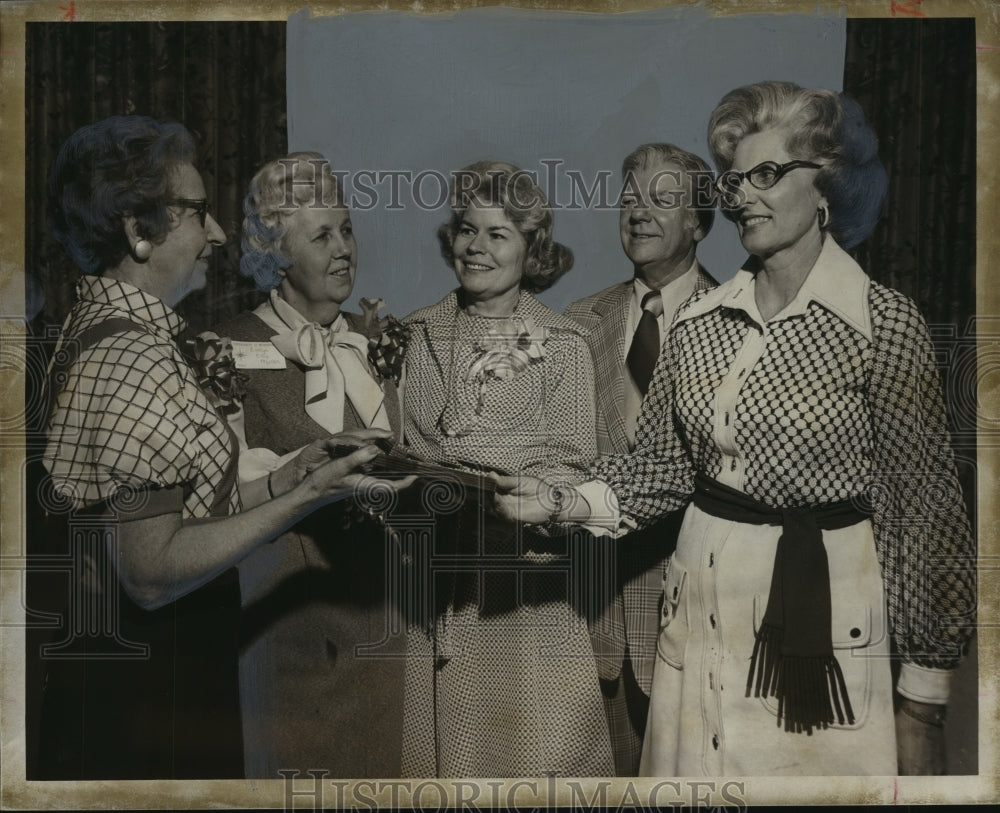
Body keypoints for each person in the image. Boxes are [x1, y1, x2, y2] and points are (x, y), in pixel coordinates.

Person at [496, 82, 976, 776]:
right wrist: (561, 502)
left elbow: (922, 515)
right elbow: (659, 470)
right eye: (735, 179)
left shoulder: (883, 324)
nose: (742, 196)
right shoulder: (698, 323)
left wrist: (924, 699)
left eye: (767, 174)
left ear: (827, 185)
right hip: (697, 611)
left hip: (823, 623)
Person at [40, 116, 408, 779]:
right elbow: (150, 573)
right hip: (152, 689)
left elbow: (185, 506)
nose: (215, 232)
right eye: (197, 211)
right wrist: (305, 497)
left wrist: (294, 472)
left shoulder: (104, 330)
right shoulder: (131, 358)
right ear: (138, 229)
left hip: (142, 675)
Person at [399, 160, 614, 777]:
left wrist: (520, 489)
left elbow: (574, 466)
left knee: (528, 765)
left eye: (498, 234)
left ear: (531, 248)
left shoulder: (564, 343)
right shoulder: (413, 333)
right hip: (430, 583)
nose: (477, 246)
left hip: (523, 589)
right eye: (467, 229)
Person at [212, 152, 412, 778]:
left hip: (388, 619)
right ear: (277, 255)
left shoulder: (377, 337)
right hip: (291, 625)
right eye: (322, 237)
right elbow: (221, 493)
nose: (344, 248)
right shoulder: (226, 348)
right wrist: (301, 470)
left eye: (346, 230)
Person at [564, 143, 717, 775]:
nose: (639, 212)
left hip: (696, 613)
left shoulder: (734, 318)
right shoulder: (578, 323)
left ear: (698, 222)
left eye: (662, 200)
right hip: (591, 612)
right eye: (630, 198)